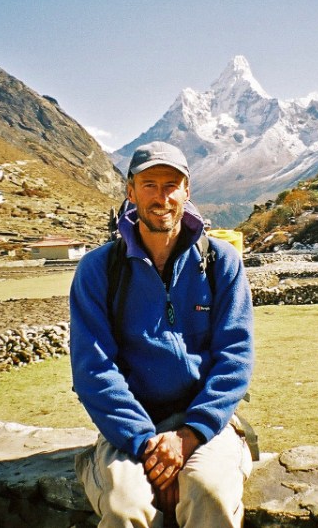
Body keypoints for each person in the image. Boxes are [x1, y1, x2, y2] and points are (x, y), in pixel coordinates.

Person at [70, 141, 254, 527]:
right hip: (131, 428)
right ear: (130, 192)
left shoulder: (220, 262)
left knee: (209, 494)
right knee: (125, 509)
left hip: (205, 423)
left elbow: (235, 357)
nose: (161, 197)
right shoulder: (99, 270)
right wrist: (147, 445)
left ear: (187, 191)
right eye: (149, 184)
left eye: (171, 185)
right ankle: (96, 463)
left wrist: (188, 437)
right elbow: (94, 370)